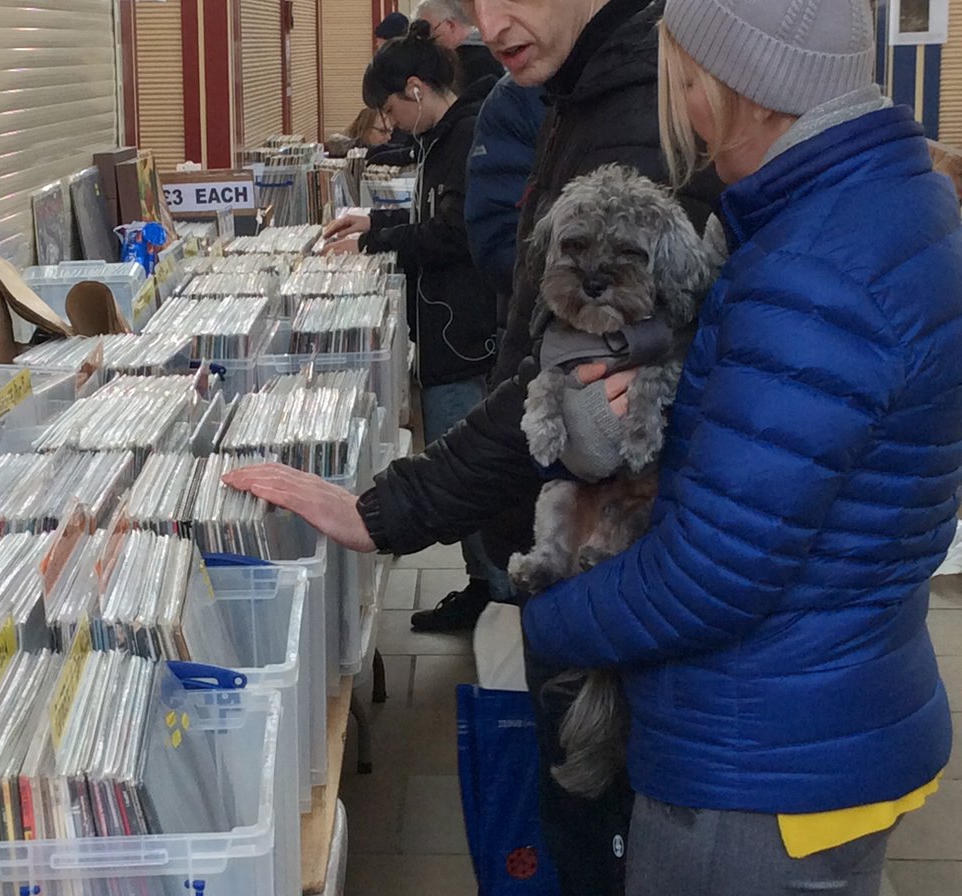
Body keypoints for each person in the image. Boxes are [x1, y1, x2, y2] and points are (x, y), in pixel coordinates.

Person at [228, 0, 721, 892]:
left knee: (594, 807)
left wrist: (384, 509)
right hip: (585, 562)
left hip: (617, 571)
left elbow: (562, 379)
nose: (494, 23)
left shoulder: (638, 110)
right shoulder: (578, 91)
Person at [521, 0, 962, 891]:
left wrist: (548, 620)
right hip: (833, 712)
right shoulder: (885, 203)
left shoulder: (813, 266)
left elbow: (712, 573)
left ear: (743, 91)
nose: (681, 106)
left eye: (685, 80)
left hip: (755, 761)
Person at [321, 20, 506, 623]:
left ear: (416, 88)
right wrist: (373, 224)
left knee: (470, 478)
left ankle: (497, 596)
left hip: (463, 337)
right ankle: (484, 586)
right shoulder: (444, 137)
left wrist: (377, 245)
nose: (392, 123)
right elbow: (431, 214)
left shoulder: (469, 136)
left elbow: (453, 231)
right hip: (447, 330)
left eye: (391, 108)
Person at [465, 72, 547, 329]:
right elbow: (497, 237)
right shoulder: (515, 97)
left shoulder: (513, 99)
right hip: (540, 320)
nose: (490, 32)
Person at [414, 0, 505, 91]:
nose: (427, 39)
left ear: (450, 25)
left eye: (428, 30)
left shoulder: (476, 61)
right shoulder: (490, 47)